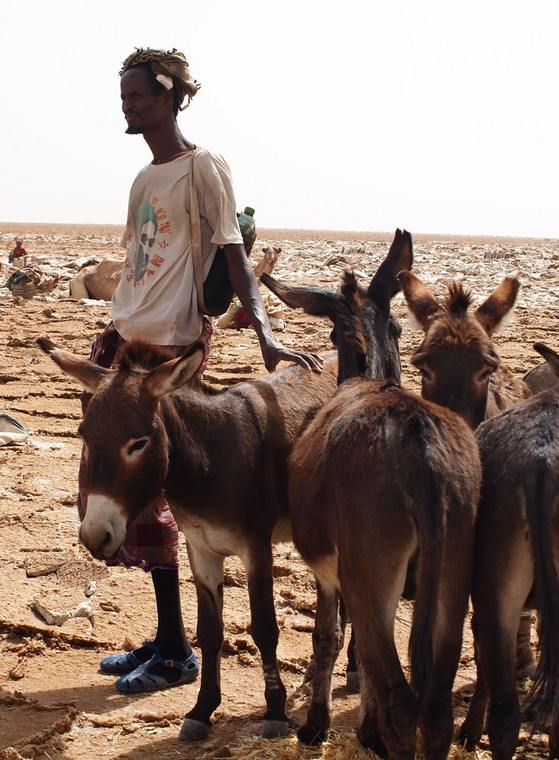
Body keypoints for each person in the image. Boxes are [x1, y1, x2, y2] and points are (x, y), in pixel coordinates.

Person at [83, 47, 323, 694]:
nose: (127, 104)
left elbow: (233, 256)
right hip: (126, 336)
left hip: (173, 345)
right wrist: (109, 333)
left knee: (165, 497)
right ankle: (167, 637)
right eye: (124, 95)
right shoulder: (142, 179)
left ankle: (178, 653)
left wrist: (267, 335)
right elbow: (139, 262)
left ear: (167, 95)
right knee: (120, 489)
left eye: (137, 94)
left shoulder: (204, 167)